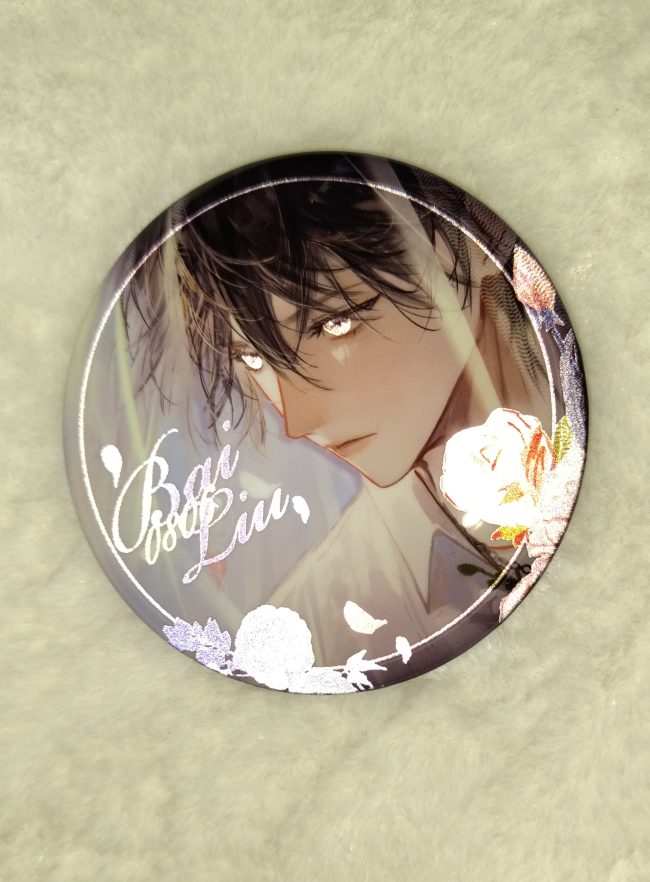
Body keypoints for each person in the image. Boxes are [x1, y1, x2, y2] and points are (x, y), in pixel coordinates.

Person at [122, 152, 581, 680]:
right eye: (252, 359)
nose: (297, 420)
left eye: (334, 323)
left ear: (463, 242)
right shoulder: (320, 636)